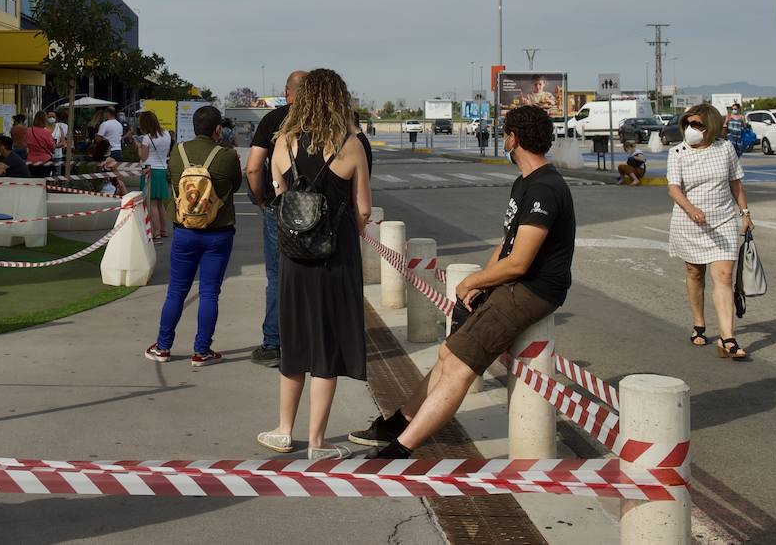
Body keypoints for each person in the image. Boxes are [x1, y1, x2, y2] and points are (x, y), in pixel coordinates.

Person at [353, 105, 575, 458]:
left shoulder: (545, 189)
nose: (504, 140)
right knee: (447, 351)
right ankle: (404, 418)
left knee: (458, 365)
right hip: (512, 284)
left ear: (513, 139)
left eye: (505, 134)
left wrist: (470, 280)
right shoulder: (525, 183)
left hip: (531, 291)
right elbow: (507, 244)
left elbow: (519, 262)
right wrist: (481, 284)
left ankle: (402, 447)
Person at [256, 69, 371, 459]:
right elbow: (364, 209)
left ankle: (283, 429)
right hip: (335, 258)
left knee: (294, 338)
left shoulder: (282, 142)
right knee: (327, 346)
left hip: (293, 258)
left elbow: (281, 197)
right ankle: (318, 442)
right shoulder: (350, 144)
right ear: (338, 99)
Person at [144, 105, 242, 365]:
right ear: (218, 129)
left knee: (176, 290)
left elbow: (174, 183)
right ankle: (202, 351)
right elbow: (236, 185)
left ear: (193, 127)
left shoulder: (178, 152)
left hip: (184, 230)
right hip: (218, 232)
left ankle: (163, 347)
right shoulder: (227, 155)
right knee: (210, 292)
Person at [667, 104, 753, 359]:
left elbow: (735, 183)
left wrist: (745, 214)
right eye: (688, 124)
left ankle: (727, 338)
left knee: (725, 276)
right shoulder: (678, 152)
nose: (692, 129)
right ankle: (699, 324)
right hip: (690, 221)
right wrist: (691, 209)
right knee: (695, 273)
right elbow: (674, 189)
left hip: (723, 220)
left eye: (698, 125)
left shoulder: (724, 148)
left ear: (711, 126)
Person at [244, 70, 308, 369]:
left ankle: (274, 344)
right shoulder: (325, 122)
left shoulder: (273, 120)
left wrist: (259, 199)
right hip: (316, 210)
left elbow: (254, 168)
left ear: (287, 91)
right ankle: (310, 342)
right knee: (313, 274)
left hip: (279, 207)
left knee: (276, 276)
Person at [135, 110, 174, 240]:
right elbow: (167, 153)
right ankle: (163, 230)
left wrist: (139, 146)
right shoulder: (167, 134)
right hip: (162, 169)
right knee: (160, 203)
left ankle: (155, 232)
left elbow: (143, 157)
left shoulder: (146, 138)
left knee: (151, 204)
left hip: (149, 170)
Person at [24, 111, 56, 178]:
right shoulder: (46, 133)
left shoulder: (28, 131)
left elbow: (25, 144)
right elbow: (52, 147)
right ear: (45, 120)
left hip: (31, 161)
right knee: (44, 181)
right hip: (45, 161)